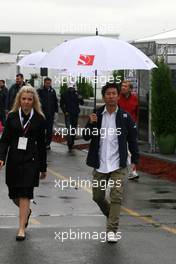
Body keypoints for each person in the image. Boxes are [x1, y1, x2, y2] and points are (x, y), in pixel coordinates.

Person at [83, 82, 139, 243]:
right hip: (100, 163)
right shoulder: (97, 114)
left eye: (114, 93)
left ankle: (112, 229)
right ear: (103, 97)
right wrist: (91, 123)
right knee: (98, 196)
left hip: (118, 164)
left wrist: (135, 159)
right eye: (108, 94)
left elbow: (133, 140)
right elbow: (86, 136)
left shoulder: (125, 117)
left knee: (116, 196)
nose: (111, 96)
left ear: (118, 96)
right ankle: (111, 215)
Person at [0, 86, 47, 241]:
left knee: (25, 193)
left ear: (34, 101)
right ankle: (26, 212)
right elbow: (5, 139)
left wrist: (43, 167)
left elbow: (42, 144)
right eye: (24, 99)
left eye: (29, 99)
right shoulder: (12, 116)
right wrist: (1, 157)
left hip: (31, 161)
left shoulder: (39, 119)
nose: (26, 102)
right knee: (14, 194)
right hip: (14, 159)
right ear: (19, 100)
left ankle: (21, 228)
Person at [118, 80, 139, 180]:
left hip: (131, 126)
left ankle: (132, 170)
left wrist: (135, 124)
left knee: (132, 148)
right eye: (122, 86)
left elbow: (137, 112)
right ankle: (129, 170)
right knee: (123, 148)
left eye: (125, 86)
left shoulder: (135, 98)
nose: (123, 88)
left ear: (130, 89)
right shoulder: (118, 98)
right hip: (120, 126)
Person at [60, 84, 84, 152]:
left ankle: (71, 142)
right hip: (68, 115)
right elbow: (61, 104)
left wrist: (80, 98)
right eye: (70, 87)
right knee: (69, 129)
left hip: (75, 114)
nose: (71, 88)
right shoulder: (64, 94)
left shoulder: (77, 94)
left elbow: (82, 103)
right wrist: (65, 112)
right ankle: (70, 143)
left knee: (74, 129)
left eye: (73, 87)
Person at [37, 77, 58, 150]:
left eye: (49, 83)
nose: (48, 84)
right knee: (41, 129)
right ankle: (41, 142)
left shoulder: (53, 91)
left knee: (49, 130)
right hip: (42, 114)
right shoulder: (40, 91)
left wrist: (56, 111)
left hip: (50, 114)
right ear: (44, 83)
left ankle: (48, 143)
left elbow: (55, 101)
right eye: (47, 83)